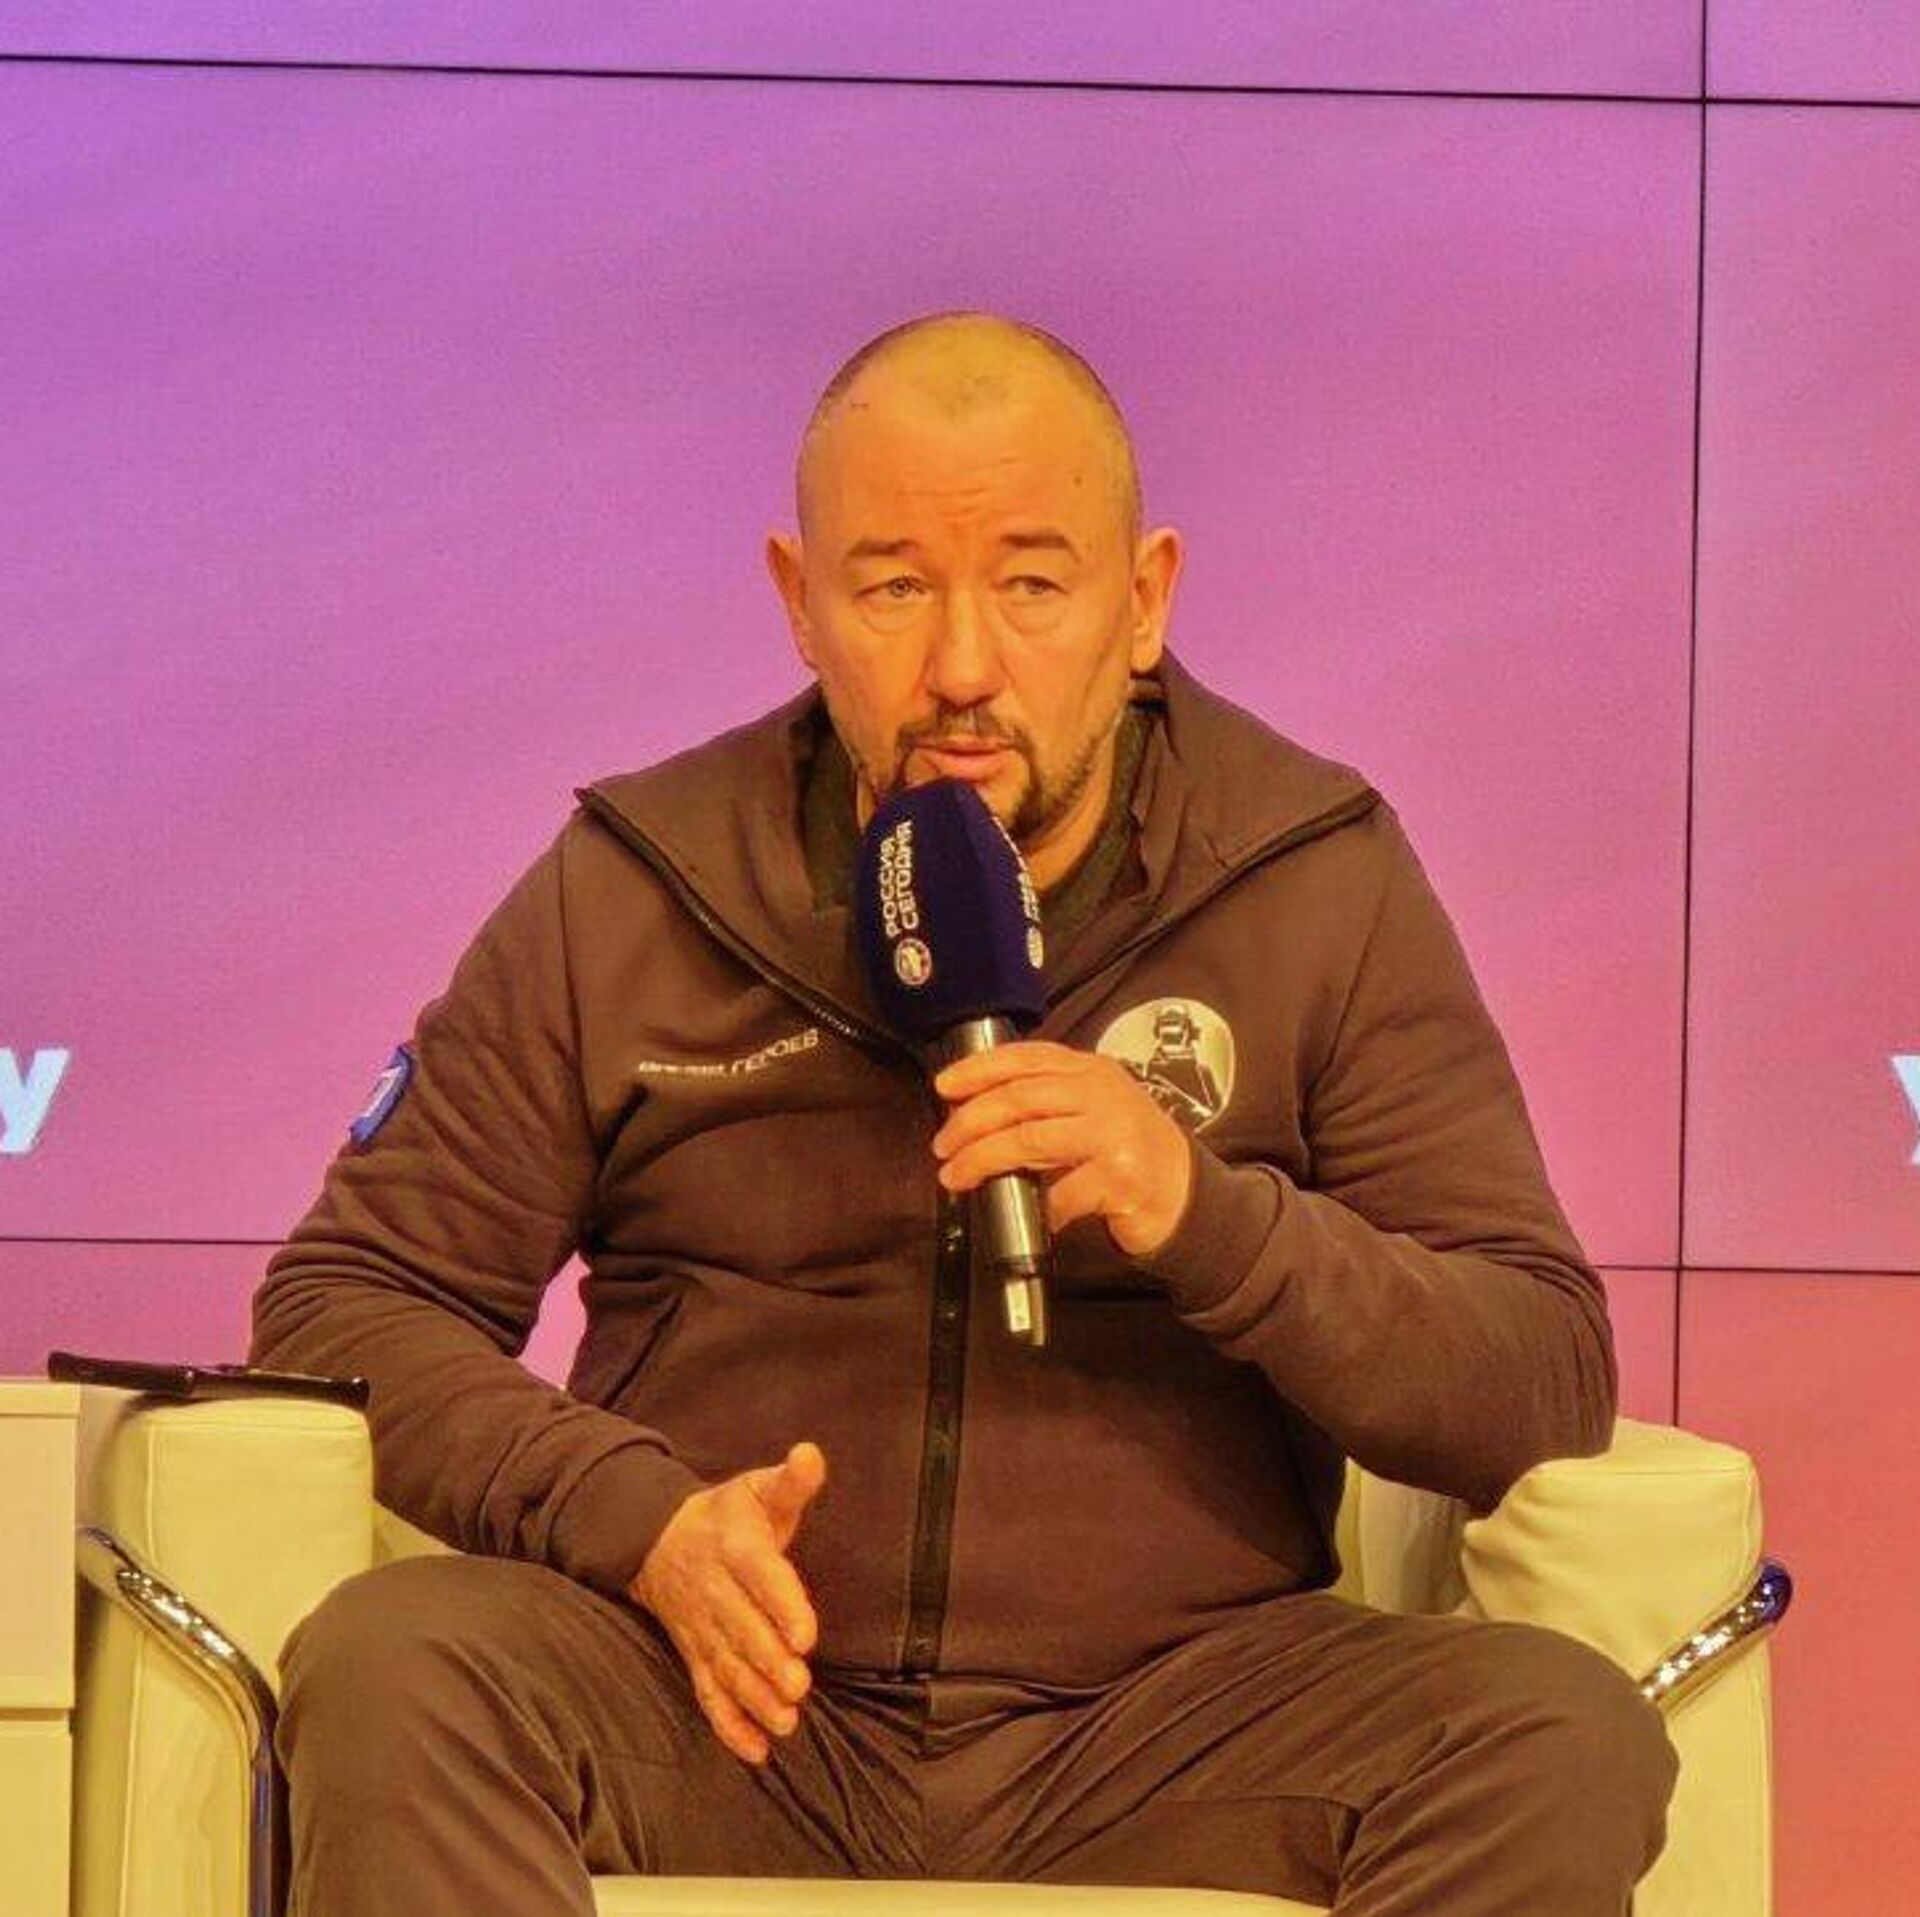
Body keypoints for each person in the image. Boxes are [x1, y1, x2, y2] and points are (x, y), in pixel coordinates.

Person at [252, 311, 1677, 1915]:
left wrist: (1204, 1211)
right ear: (799, 601)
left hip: (1178, 1716)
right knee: (398, 1662)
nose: (962, 669)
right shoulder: (642, 884)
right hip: (726, 1699)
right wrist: (632, 1518)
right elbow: (345, 1305)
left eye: (1034, 585)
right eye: (892, 588)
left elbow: (1536, 1372)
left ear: (1144, 601)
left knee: (1553, 1734)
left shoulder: (1310, 878)